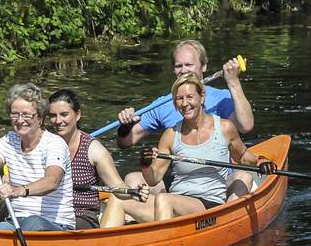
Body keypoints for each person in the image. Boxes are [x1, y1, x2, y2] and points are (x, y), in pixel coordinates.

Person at [100, 72, 277, 227]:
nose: (185, 104)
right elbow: (154, 179)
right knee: (118, 197)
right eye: (179, 98)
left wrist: (260, 160)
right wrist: (145, 164)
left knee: (164, 199)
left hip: (207, 207)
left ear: (202, 97)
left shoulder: (224, 128)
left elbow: (243, 156)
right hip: (173, 204)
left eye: (190, 97)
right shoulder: (171, 134)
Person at [115, 39, 255, 199]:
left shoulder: (221, 97)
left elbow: (246, 125)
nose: (183, 70)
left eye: (189, 65)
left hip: (217, 181)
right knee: (132, 179)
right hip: (180, 181)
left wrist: (233, 82)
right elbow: (124, 142)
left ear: (203, 67)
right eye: (178, 66)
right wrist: (126, 125)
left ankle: (224, 219)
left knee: (243, 177)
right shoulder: (164, 104)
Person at [0, 82, 76, 231]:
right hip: (15, 222)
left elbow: (52, 182)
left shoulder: (54, 144)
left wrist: (17, 191)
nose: (20, 120)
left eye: (26, 115)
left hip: (55, 224)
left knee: (33, 222)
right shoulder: (9, 140)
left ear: (40, 119)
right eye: (15, 115)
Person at [47, 89, 149, 229]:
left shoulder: (94, 149)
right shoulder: (45, 145)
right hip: (49, 214)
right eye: (53, 116)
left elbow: (116, 186)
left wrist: (134, 193)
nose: (58, 121)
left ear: (77, 115)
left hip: (81, 217)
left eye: (64, 114)